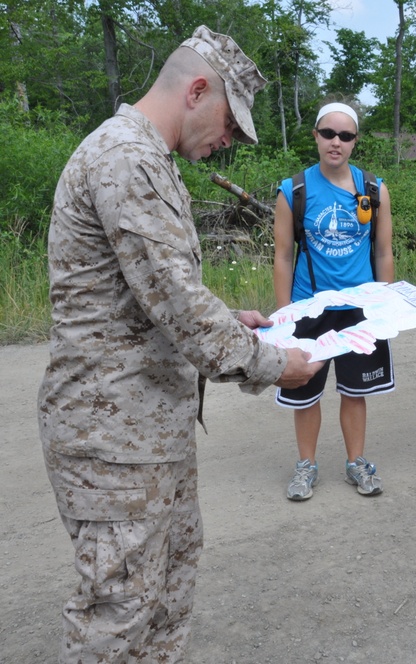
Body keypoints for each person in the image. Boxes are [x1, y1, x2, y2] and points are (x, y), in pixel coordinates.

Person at [38, 26, 321, 662]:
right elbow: (176, 302)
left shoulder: (147, 157)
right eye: (229, 124)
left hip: (145, 433)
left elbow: (155, 294)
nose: (228, 142)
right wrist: (273, 364)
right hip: (111, 438)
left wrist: (234, 318)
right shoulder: (126, 159)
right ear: (197, 90)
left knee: (166, 587)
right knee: (118, 610)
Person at [273, 98, 396, 499]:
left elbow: (383, 252)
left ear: (355, 140)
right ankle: (306, 466)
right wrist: (283, 315)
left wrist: (385, 306)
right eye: (328, 133)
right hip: (310, 308)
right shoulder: (294, 190)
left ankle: (356, 462)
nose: (336, 142)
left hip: (359, 310)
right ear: (316, 136)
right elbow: (283, 255)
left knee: (355, 391)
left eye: (345, 135)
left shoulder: (374, 188)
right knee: (304, 391)